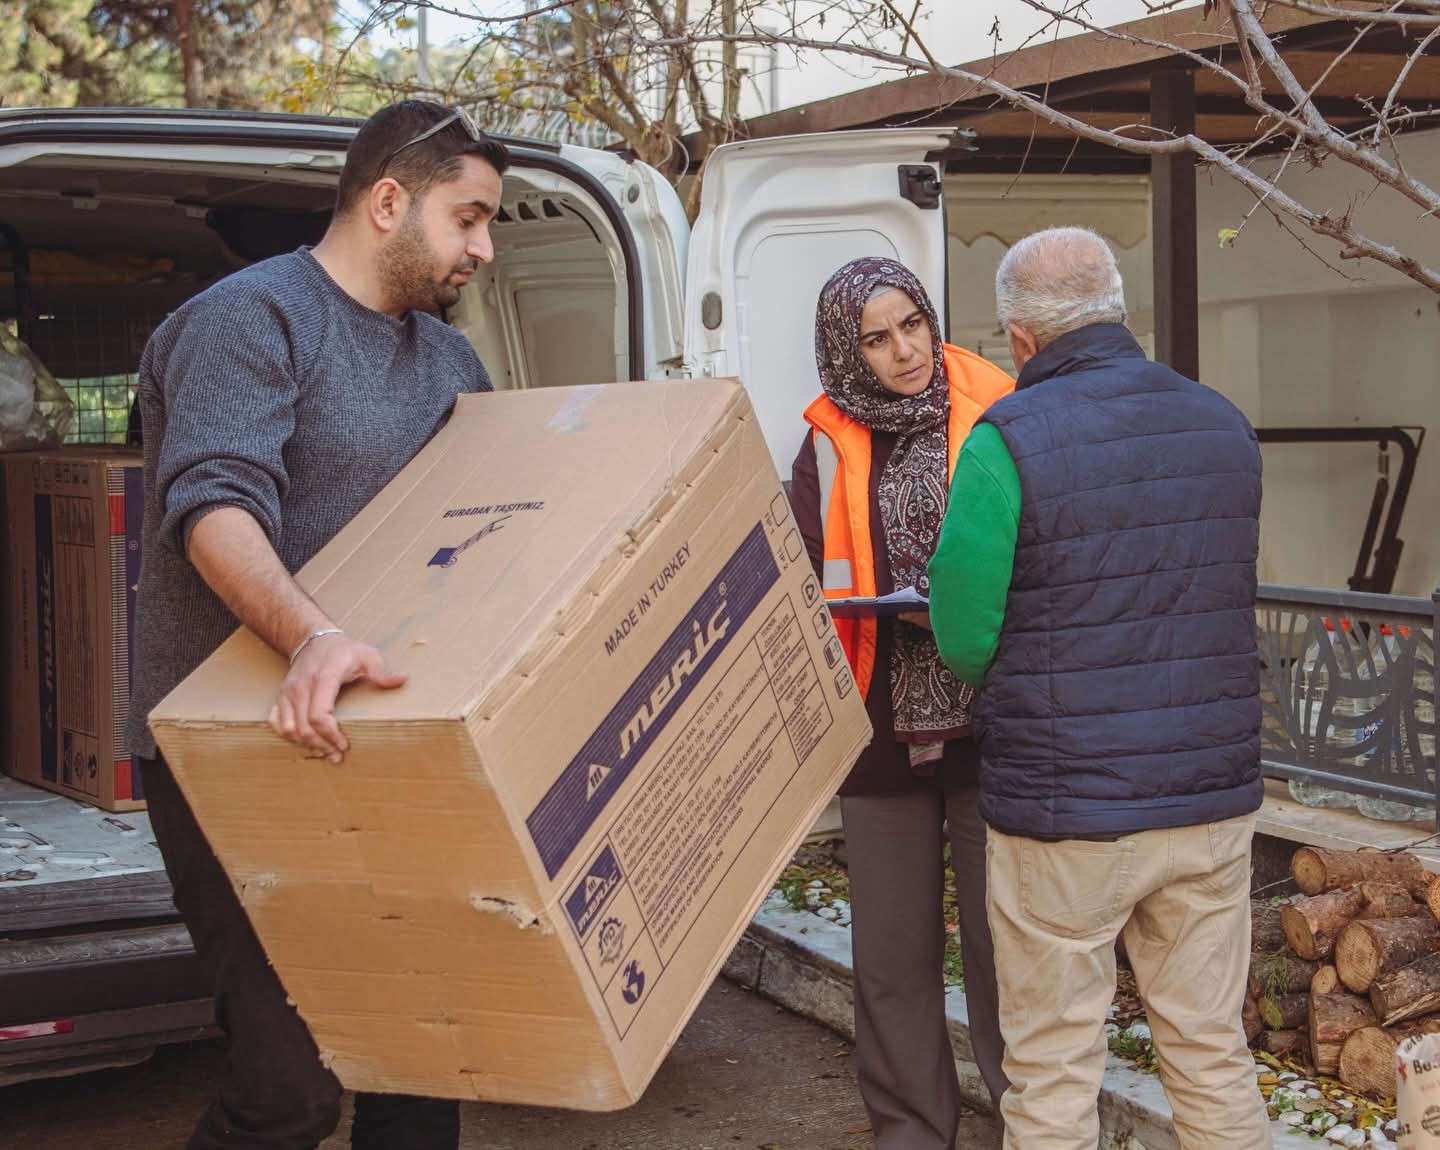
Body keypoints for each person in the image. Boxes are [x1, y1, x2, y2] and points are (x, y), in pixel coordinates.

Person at [127, 100, 510, 1150]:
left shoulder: (449, 362)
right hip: (236, 747)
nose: (482, 247)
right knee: (287, 1087)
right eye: (468, 218)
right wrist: (308, 637)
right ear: (390, 200)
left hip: (388, 740)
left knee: (424, 1060)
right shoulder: (249, 321)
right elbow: (213, 504)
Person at [928, 226, 1271, 1150]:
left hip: (1065, 811)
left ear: (1021, 339)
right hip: (1208, 802)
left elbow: (963, 633)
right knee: (1209, 1051)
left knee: (1051, 1070)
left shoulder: (1007, 442)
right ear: (1117, 309)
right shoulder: (1222, 421)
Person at [789, 257, 1015, 1148]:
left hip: (992, 725)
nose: (904, 350)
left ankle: (1029, 1127)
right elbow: (807, 575)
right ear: (849, 353)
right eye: (877, 339)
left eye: (912, 324)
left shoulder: (998, 406)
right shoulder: (819, 442)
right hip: (879, 734)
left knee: (1009, 955)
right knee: (891, 964)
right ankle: (911, 1132)